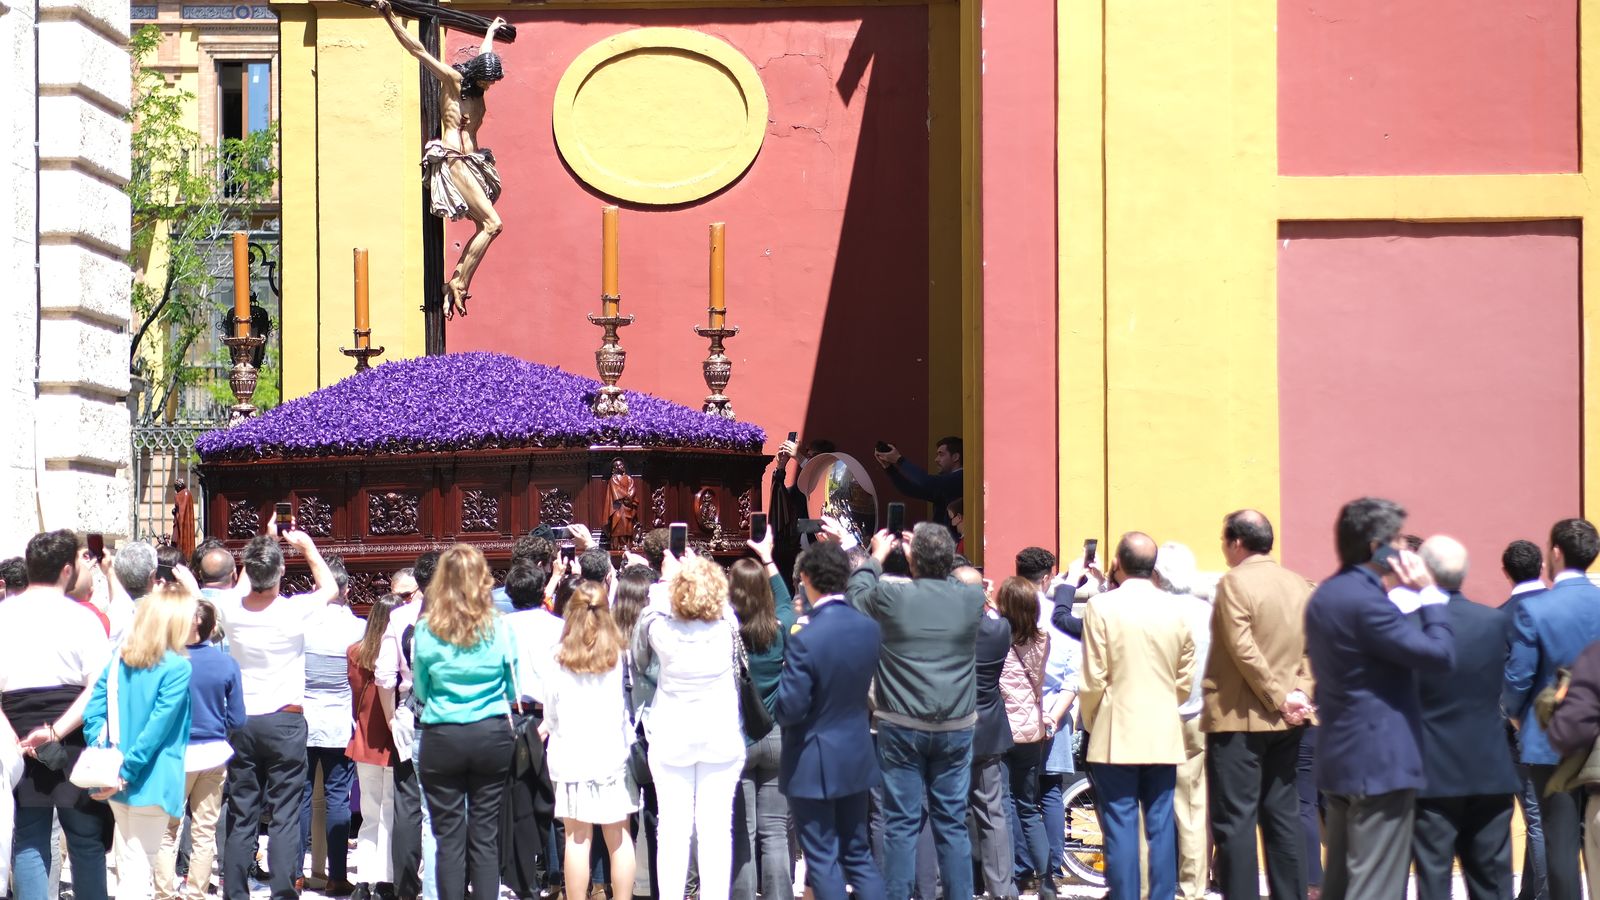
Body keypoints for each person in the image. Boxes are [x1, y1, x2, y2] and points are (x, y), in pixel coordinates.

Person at [1305, 497, 1454, 900]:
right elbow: (1439, 655)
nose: (1405, 552)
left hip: (1340, 756)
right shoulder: (1369, 602)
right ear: (1376, 547)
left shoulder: (1327, 595)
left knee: (1340, 882)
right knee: (1377, 886)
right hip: (1379, 761)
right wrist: (1431, 597)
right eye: (1397, 542)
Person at [846, 522, 984, 900]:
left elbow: (856, 593)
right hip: (955, 725)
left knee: (901, 824)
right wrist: (927, 554)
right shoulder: (971, 598)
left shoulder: (892, 595)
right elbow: (957, 582)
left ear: (912, 559)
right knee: (951, 824)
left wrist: (876, 557)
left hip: (901, 724)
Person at [214, 525, 340, 900]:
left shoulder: (230, 610)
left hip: (242, 721)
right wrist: (307, 546)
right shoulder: (294, 611)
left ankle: (235, 892)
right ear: (281, 572)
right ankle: (284, 890)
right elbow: (330, 589)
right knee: (285, 811)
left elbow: (240, 587)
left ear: (246, 573)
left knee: (242, 812)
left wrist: (264, 540)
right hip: (284, 720)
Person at [1200, 509, 1314, 900]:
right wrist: (1300, 692)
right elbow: (1310, 649)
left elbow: (1242, 649)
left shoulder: (1234, 582)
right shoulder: (1299, 584)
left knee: (1236, 822)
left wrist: (1278, 697)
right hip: (1289, 719)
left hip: (1239, 718)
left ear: (1235, 542)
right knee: (1283, 816)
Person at [1079, 532, 1196, 900]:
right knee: (1160, 823)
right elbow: (1185, 677)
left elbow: (1093, 678)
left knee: (1121, 824)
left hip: (1117, 727)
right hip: (1163, 727)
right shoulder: (1177, 609)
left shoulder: (1102, 607)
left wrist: (1092, 719)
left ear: (1118, 563)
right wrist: (1163, 700)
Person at [373, 0, 507, 317]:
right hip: (453, 159)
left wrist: (489, 32)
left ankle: (457, 282)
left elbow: (484, 56)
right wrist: (391, 19)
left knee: (486, 226)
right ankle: (458, 285)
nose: (489, 85)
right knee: (492, 224)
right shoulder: (453, 81)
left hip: (475, 162)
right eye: (487, 79)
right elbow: (419, 51)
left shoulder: (479, 91)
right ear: (476, 74)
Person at [3, 530, 114, 900]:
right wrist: (55, 731)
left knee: (29, 837)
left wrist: (14, 737)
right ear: (67, 570)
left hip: (15, 731)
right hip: (72, 733)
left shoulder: (3, 615)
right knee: (85, 837)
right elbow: (97, 687)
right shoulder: (83, 619)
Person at [1408, 536, 1519, 900]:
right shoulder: (1493, 621)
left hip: (1432, 770)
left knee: (1433, 878)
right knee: (1492, 881)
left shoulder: (1409, 624)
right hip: (1490, 767)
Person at [775, 541, 885, 900]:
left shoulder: (806, 638)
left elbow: (790, 707)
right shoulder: (869, 629)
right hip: (856, 751)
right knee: (858, 855)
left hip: (813, 758)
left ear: (805, 579)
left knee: (822, 859)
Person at [633, 553, 746, 900]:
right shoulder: (727, 627)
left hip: (673, 737)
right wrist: (697, 570)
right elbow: (725, 605)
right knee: (715, 831)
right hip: (720, 736)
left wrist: (666, 581)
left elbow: (639, 653)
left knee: (673, 830)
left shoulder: (661, 629)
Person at [412, 545, 518, 900]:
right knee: (485, 836)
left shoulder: (427, 629)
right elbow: (510, 679)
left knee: (448, 838)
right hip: (490, 732)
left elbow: (422, 688)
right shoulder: (500, 627)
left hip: (442, 734)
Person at [1504, 518, 1600, 900]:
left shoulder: (1537, 610)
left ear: (1555, 553)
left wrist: (1515, 715)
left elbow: (1518, 679)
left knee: (1559, 843)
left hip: (1550, 739)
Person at [83, 583, 197, 900]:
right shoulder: (177, 667)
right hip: (150, 777)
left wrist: (107, 757)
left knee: (128, 867)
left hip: (116, 775)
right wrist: (127, 769)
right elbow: (157, 727)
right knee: (137, 872)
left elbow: (93, 712)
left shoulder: (119, 660)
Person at [542, 581, 637, 900]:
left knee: (576, 839)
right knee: (618, 837)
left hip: (571, 753)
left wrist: (552, 726)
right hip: (611, 752)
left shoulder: (559, 655)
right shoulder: (618, 652)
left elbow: (551, 709)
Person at [155, 599, 244, 900]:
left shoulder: (165, 661)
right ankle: (196, 893)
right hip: (213, 752)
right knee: (205, 831)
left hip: (175, 753)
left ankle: (164, 893)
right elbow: (238, 718)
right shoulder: (226, 663)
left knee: (167, 830)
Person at [728, 529, 797, 900]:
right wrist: (768, 557)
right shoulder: (779, 628)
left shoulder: (726, 633)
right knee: (774, 830)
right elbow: (785, 602)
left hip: (740, 736)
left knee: (744, 830)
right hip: (776, 735)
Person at [300, 556, 366, 894]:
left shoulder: (303, 625)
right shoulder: (358, 628)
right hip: (340, 720)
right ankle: (337, 876)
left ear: (318, 587)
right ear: (348, 590)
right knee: (338, 798)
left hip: (305, 720)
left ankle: (295, 872)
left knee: (300, 797)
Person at [1151, 542, 1212, 900]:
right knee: (1191, 805)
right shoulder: (1206, 611)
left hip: (1157, 714)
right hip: (1198, 712)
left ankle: (1151, 882)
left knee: (1148, 802)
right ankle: (1193, 886)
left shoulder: (1156, 610)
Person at [379, 554, 435, 900]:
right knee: (443, 808)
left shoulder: (399, 617)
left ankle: (405, 888)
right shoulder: (462, 616)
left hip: (407, 713)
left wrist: (389, 715)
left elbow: (385, 676)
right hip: (447, 718)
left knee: (408, 803)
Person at [958, 566, 1016, 900]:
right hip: (989, 728)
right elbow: (995, 617)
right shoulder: (1000, 630)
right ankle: (1001, 888)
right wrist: (985, 596)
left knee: (951, 810)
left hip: (953, 727)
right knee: (992, 812)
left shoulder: (946, 631)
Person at [995, 577, 1053, 900]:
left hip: (1004, 730)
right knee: (1029, 807)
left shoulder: (997, 637)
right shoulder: (1042, 640)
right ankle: (1047, 882)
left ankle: (1009, 884)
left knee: (1002, 805)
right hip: (1032, 731)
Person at [1500, 539, 1549, 900]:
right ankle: (1532, 892)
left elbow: (1505, 682)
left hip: (1521, 732)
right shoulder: (1563, 606)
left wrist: (1512, 716)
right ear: (1543, 565)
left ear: (1505, 571)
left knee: (1536, 819)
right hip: (1575, 727)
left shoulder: (1500, 616)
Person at [348, 594, 400, 900]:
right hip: (392, 739)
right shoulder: (397, 655)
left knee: (369, 813)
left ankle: (363, 881)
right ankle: (385, 879)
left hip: (366, 737)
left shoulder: (356, 652)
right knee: (390, 812)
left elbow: (356, 698)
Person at [872, 437, 963, 529]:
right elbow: (908, 489)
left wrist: (899, 460)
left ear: (955, 457)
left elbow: (926, 481)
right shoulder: (945, 483)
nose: (936, 459)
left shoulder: (961, 477)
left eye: (941, 455)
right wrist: (889, 468)